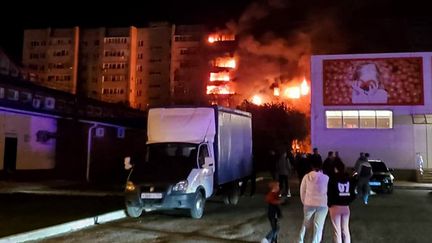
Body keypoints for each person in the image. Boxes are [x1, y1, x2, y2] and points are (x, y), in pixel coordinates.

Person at [298, 157, 329, 243]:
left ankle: (301, 240)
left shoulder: (306, 177)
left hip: (309, 203)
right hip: (322, 204)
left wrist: (304, 201)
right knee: (318, 226)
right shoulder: (326, 178)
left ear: (311, 166)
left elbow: (302, 190)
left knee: (306, 223)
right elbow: (328, 191)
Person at [327, 160, 356, 243]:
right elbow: (353, 194)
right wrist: (348, 201)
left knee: (337, 231)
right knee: (345, 230)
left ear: (335, 169)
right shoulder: (349, 179)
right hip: (346, 207)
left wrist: (329, 204)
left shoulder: (332, 179)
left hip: (335, 207)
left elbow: (329, 193)